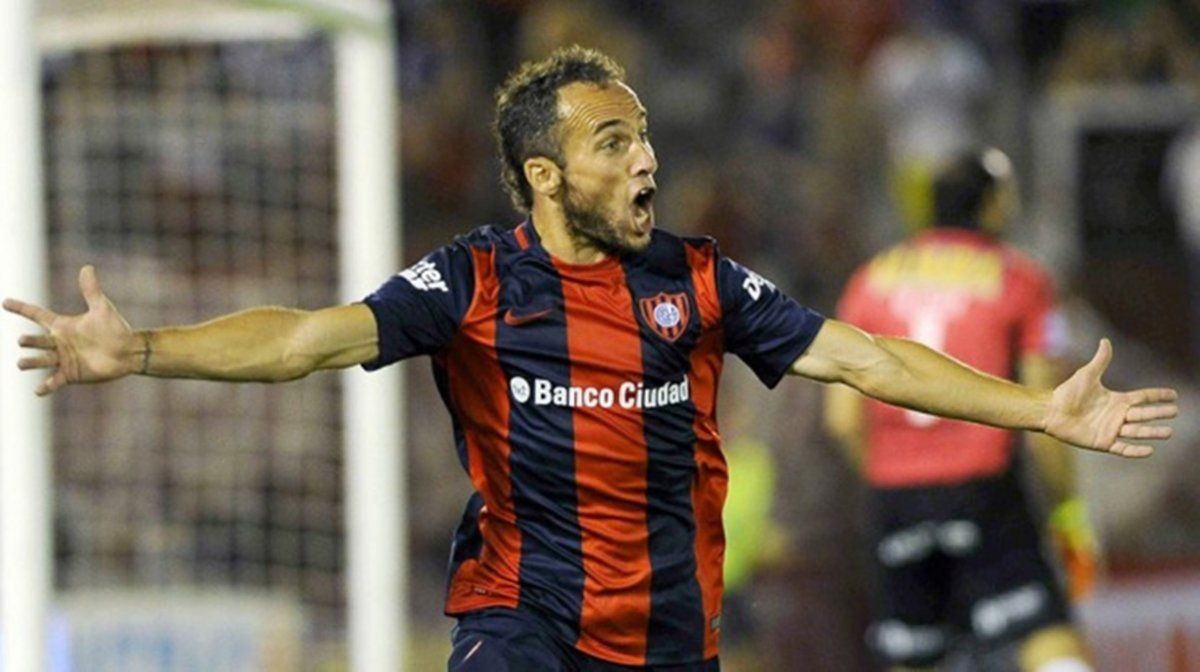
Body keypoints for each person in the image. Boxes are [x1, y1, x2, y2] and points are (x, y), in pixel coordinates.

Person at [4, 48, 1177, 672]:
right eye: (613, 142)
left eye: (645, 136)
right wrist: (141, 349)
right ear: (547, 177)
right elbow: (303, 340)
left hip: (668, 636)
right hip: (521, 621)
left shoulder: (701, 280)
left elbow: (867, 363)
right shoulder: (472, 281)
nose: (646, 159)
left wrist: (1042, 413)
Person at [824, 148, 1103, 672]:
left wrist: (895, 484)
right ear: (993, 205)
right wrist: (1067, 511)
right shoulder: (1022, 279)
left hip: (894, 496)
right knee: (1046, 640)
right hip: (985, 488)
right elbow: (1050, 411)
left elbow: (840, 420)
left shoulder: (869, 281)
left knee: (913, 657)